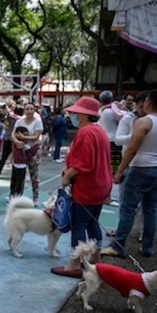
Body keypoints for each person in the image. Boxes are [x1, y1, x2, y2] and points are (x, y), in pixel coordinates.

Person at [101, 89, 157, 259]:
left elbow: (132, 149)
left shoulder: (145, 122)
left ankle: (118, 246)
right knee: (150, 210)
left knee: (128, 208)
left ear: (149, 102)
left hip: (141, 169)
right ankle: (147, 247)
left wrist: (120, 171)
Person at [51, 97, 112, 278]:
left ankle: (74, 263)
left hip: (87, 187)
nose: (72, 115)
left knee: (79, 225)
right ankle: (95, 258)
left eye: (74, 112)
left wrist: (67, 177)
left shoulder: (85, 133)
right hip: (101, 185)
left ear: (84, 115)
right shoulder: (100, 131)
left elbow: (82, 164)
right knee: (93, 223)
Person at [11, 102, 44, 206]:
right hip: (20, 150)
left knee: (34, 175)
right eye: (27, 109)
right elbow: (13, 133)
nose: (29, 111)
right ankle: (15, 196)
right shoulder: (20, 121)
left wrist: (23, 138)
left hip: (33, 150)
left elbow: (36, 137)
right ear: (24, 110)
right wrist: (16, 141)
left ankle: (35, 197)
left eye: (31, 109)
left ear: (34, 111)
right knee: (17, 175)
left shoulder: (38, 122)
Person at [98, 90, 123, 205]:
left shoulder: (100, 111)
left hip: (103, 140)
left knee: (104, 169)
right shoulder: (113, 111)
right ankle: (107, 196)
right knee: (112, 170)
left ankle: (103, 195)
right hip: (113, 142)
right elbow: (123, 119)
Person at [0, 105, 22, 178]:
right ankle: (17, 174)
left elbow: (5, 126)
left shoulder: (9, 119)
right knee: (17, 158)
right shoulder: (18, 119)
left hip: (9, 139)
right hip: (14, 139)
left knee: (4, 157)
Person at [9, 126, 33, 198]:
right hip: (16, 164)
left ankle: (17, 195)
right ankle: (13, 194)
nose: (26, 137)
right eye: (25, 135)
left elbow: (29, 149)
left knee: (19, 182)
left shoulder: (25, 143)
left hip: (22, 165)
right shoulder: (15, 142)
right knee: (14, 181)